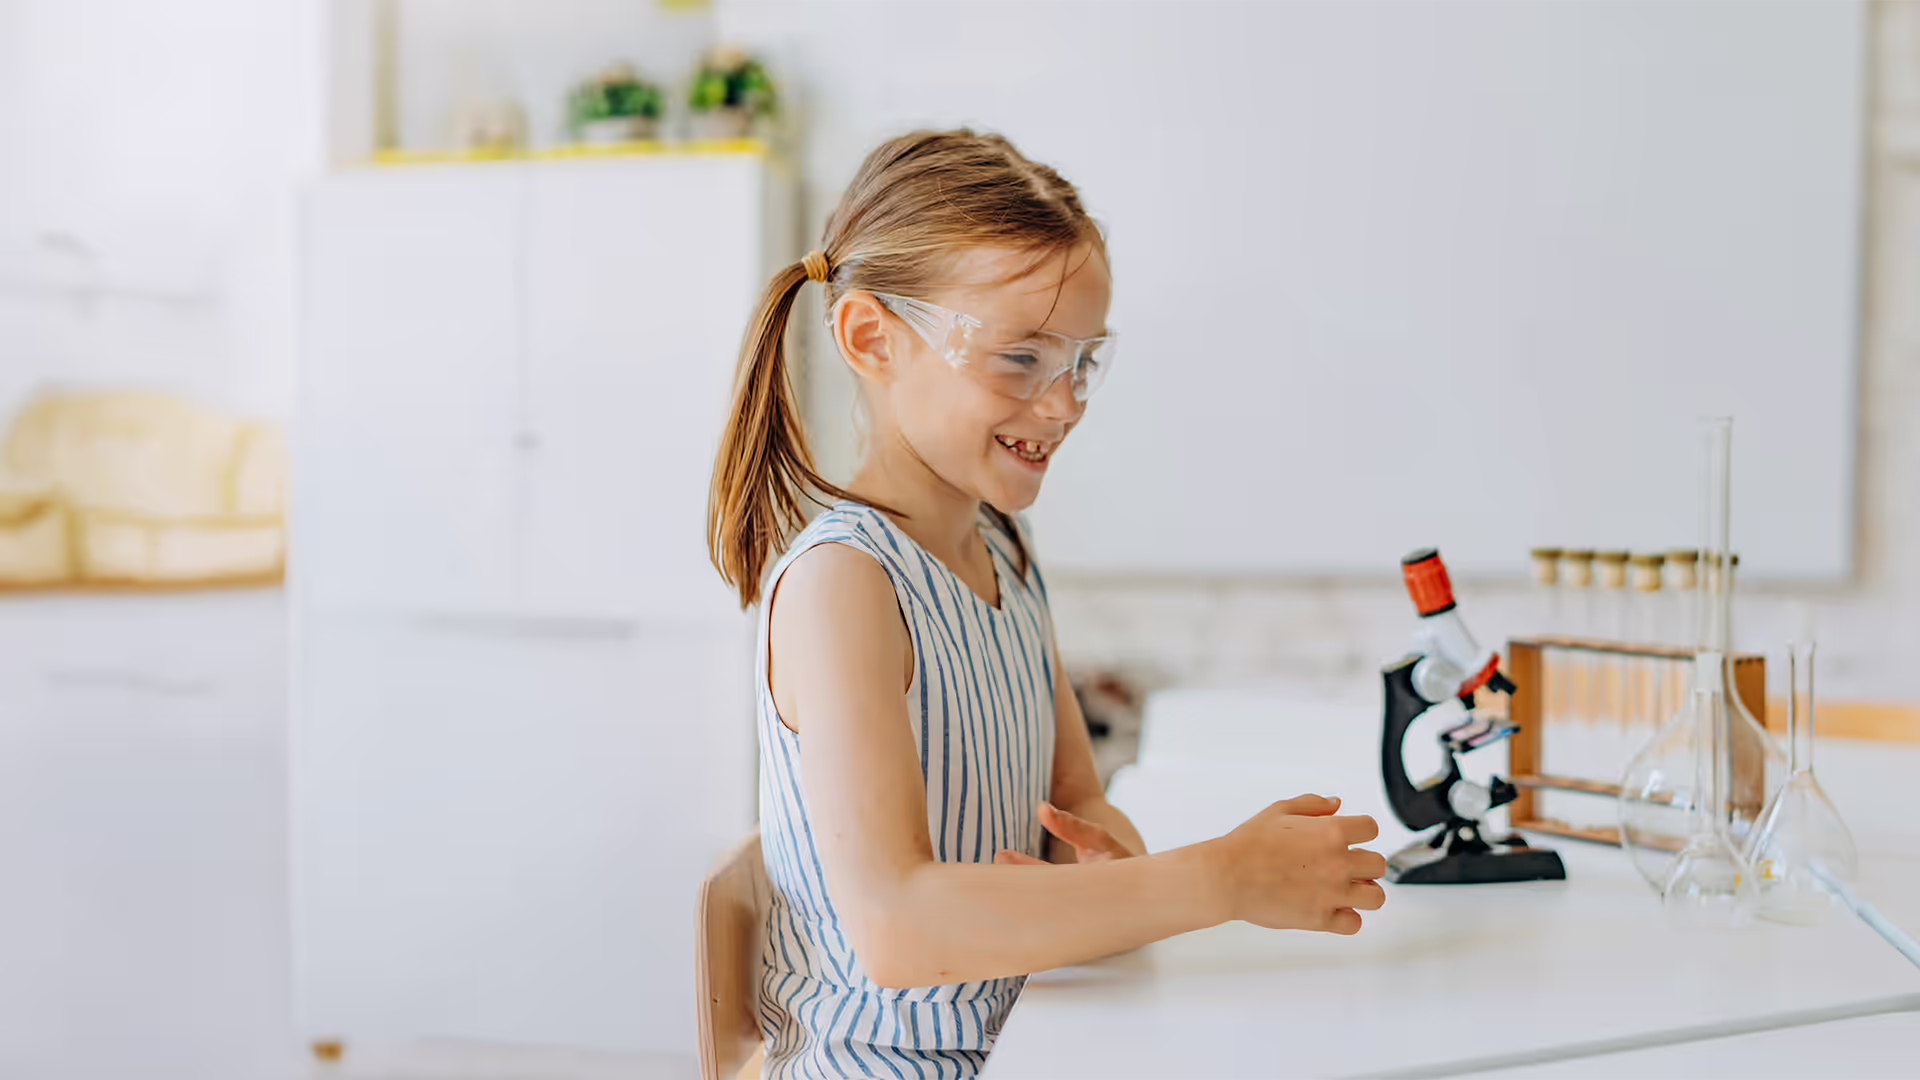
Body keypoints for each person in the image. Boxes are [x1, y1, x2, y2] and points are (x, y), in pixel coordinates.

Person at [706, 129, 1386, 1079]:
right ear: (872, 338)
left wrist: (1107, 878)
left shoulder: (1004, 548)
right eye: (1020, 359)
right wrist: (1218, 877)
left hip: (1031, 1042)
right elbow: (898, 929)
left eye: (1080, 363)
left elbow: (1080, 804)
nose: (1063, 404)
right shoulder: (844, 586)